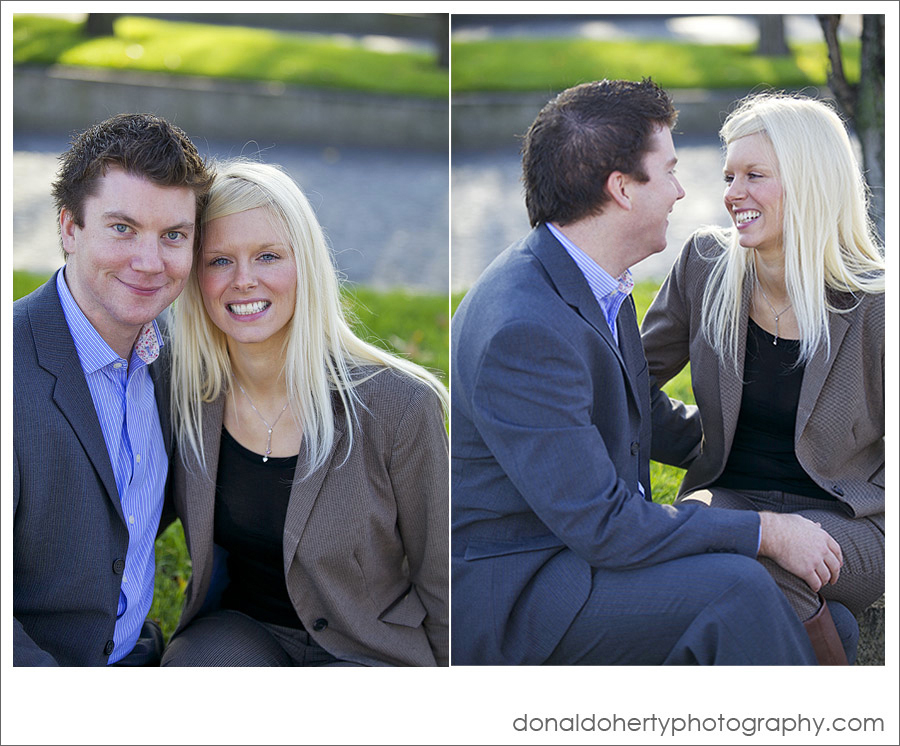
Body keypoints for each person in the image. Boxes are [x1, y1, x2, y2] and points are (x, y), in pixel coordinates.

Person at [451, 79, 845, 666]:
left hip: (578, 555)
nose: (682, 192)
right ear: (622, 189)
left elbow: (633, 408)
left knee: (825, 618)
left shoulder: (590, 279)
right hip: (529, 590)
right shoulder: (524, 329)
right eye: (668, 171)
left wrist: (752, 446)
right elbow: (607, 524)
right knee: (737, 593)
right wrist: (768, 529)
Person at [160, 160, 449, 667]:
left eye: (268, 256)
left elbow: (443, 575)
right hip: (243, 632)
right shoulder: (183, 393)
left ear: (306, 264)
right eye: (219, 260)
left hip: (369, 651)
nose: (243, 280)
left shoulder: (400, 406)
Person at [641, 93, 884, 665]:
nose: (732, 194)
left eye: (754, 175)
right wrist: (698, 440)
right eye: (729, 176)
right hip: (730, 497)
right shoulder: (704, 266)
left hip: (846, 525)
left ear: (809, 183)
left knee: (733, 556)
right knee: (708, 536)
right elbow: (628, 380)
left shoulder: (878, 304)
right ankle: (829, 636)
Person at [13, 113, 213, 666]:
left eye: (173, 236)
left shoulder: (174, 364)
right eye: (122, 228)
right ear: (69, 229)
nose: (149, 263)